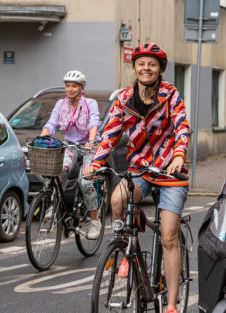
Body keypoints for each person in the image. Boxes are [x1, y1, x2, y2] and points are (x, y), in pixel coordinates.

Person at [83, 43, 189, 313]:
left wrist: (178, 155)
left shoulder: (171, 95)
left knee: (168, 237)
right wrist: (95, 163)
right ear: (135, 68)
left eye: (152, 64)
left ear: (160, 69)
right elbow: (110, 134)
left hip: (170, 172)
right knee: (117, 200)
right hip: (140, 170)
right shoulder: (124, 99)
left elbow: (182, 127)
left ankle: (173, 304)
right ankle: (126, 246)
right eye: (141, 63)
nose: (146, 68)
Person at [40, 70, 102, 239]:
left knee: (85, 182)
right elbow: (52, 123)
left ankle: (95, 220)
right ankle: (55, 203)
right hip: (71, 144)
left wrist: (90, 140)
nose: (70, 89)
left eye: (74, 86)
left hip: (90, 146)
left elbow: (94, 122)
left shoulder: (90, 103)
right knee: (62, 168)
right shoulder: (61, 104)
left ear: (81, 88)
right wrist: (42, 137)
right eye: (67, 86)